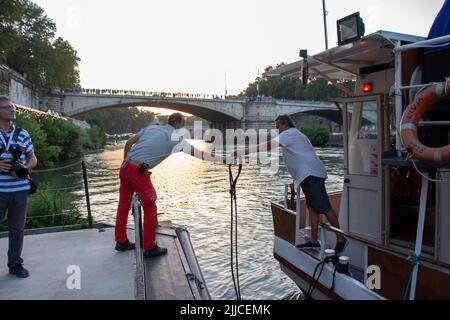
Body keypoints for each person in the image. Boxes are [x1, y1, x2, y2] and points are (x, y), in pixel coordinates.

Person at [115, 112, 224, 258]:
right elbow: (202, 155)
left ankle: (121, 241)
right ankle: (149, 247)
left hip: (125, 166)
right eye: (183, 124)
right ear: (178, 124)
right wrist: (225, 158)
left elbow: (129, 143)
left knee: (123, 205)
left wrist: (127, 164)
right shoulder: (176, 139)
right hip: (138, 171)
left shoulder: (151, 128)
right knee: (150, 205)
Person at [233, 115, 347, 254]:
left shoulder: (289, 134)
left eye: (278, 127)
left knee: (325, 208)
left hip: (312, 176)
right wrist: (296, 181)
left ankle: (341, 239)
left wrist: (241, 152)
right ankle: (313, 241)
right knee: (312, 208)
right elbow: (299, 157)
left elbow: (268, 146)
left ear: (285, 124)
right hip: (308, 176)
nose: (277, 130)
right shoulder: (294, 135)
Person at [0, 96, 38, 278]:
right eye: (7, 107)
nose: (12, 110)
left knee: (17, 229)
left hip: (19, 190)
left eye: (12, 107)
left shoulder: (22, 133)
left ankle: (15, 264)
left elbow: (33, 158)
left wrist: (25, 168)